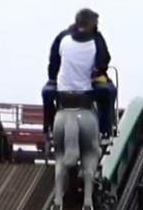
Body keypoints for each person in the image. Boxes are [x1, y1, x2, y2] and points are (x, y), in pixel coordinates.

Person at [42, 8, 117, 143]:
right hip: (87, 90)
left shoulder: (62, 37)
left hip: (62, 90)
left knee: (46, 93)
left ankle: (49, 127)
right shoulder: (97, 39)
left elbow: (53, 62)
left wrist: (54, 79)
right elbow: (103, 62)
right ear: (92, 24)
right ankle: (105, 130)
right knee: (109, 91)